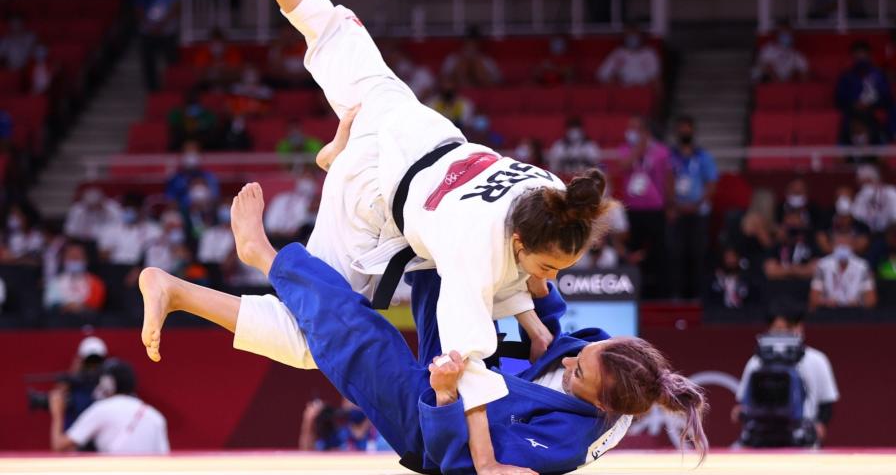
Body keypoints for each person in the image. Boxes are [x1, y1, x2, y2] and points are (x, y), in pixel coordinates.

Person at [177, 0, 623, 472]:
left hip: (414, 126)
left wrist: (538, 331)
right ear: (520, 245)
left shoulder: (546, 191)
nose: (547, 282)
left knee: (330, 26)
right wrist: (486, 466)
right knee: (309, 336)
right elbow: (471, 374)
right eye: (547, 270)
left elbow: (517, 266)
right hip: (374, 199)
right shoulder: (474, 260)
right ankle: (264, 252)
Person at [136, 178, 708, 473]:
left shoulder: (560, 444)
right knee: (441, 270)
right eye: (584, 355)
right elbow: (556, 343)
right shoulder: (610, 366)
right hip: (479, 374)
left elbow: (462, 463)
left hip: (437, 426)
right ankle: (180, 291)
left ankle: (261, 253)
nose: (569, 360)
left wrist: (440, 396)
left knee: (355, 337)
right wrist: (536, 290)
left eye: (578, 371)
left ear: (600, 404)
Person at [732, 302, 839, 446]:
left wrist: (820, 425)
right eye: (778, 329)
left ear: (800, 327)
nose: (783, 334)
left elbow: (827, 402)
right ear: (769, 328)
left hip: (802, 436)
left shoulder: (817, 360)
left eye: (789, 328)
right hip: (763, 436)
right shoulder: (756, 362)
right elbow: (745, 401)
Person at [48, 358, 169, 454]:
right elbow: (166, 460)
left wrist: (57, 413)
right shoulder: (155, 416)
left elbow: (60, 445)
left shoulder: (101, 409)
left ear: (107, 383)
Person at [618, 116, 672, 294]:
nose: (631, 132)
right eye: (630, 128)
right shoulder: (625, 149)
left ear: (645, 131)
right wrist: (638, 150)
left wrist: (670, 204)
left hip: (655, 208)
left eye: (635, 128)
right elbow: (623, 166)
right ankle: (635, 291)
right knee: (634, 251)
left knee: (658, 251)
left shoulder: (661, 151)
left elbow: (668, 178)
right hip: (633, 209)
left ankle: (660, 292)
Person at [669, 116, 718, 299]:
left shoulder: (703, 156)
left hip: (699, 212)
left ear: (693, 131)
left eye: (687, 128)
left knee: (697, 254)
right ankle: (677, 295)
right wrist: (675, 204)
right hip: (678, 212)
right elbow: (667, 180)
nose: (684, 132)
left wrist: (695, 204)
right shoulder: (671, 156)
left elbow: (711, 184)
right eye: (681, 128)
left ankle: (698, 295)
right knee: (677, 254)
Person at [135, 0, 181, 91]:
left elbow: (176, 5)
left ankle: (173, 89)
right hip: (148, 31)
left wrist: (163, 24)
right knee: (148, 63)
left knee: (171, 62)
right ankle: (152, 91)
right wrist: (150, 25)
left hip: (167, 30)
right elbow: (138, 8)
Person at [835, 40, 891, 143]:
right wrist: (853, 104)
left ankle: (878, 153)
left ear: (869, 55)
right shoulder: (847, 76)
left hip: (873, 110)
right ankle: (847, 154)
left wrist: (871, 104)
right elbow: (840, 98)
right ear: (853, 56)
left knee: (878, 124)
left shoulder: (878, 75)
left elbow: (886, 96)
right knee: (847, 123)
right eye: (857, 54)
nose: (860, 57)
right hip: (852, 111)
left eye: (863, 54)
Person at [810, 229, 877, 310]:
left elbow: (871, 300)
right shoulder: (822, 265)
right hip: (830, 312)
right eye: (839, 244)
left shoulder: (863, 266)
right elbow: (814, 299)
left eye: (846, 244)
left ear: (852, 245)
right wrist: (825, 302)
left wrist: (859, 303)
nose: (842, 247)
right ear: (833, 245)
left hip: (855, 312)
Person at [44, 243, 107, 316]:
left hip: (86, 320)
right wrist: (66, 307)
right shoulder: (55, 282)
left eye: (78, 256)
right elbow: (50, 304)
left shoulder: (96, 282)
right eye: (71, 256)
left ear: (85, 259)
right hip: (60, 321)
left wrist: (79, 307)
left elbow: (96, 304)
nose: (74, 259)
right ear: (63, 259)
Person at [97, 197, 163, 266]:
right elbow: (102, 256)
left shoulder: (154, 230)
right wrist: (114, 248)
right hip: (114, 266)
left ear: (140, 210)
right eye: (126, 210)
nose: (129, 213)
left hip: (140, 267)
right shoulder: (110, 229)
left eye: (133, 210)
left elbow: (158, 255)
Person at [850, 164, 896, 234]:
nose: (865, 187)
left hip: (892, 234)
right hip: (868, 235)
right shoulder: (862, 195)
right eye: (861, 183)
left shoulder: (892, 192)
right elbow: (856, 218)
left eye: (867, 181)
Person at [596, 27, 661, 93]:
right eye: (629, 36)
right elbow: (602, 74)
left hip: (644, 88)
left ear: (641, 37)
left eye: (635, 35)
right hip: (622, 90)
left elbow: (654, 76)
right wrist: (613, 79)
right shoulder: (618, 53)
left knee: (658, 84)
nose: (632, 39)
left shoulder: (649, 53)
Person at [763, 208, 818, 281]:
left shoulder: (811, 244)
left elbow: (815, 269)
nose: (792, 221)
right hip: (779, 288)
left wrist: (785, 270)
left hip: (803, 288)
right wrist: (797, 270)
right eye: (789, 218)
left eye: (795, 218)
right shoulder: (777, 245)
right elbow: (770, 270)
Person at [165, 142, 220, 213]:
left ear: (199, 156)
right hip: (183, 214)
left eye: (194, 152)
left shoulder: (210, 177)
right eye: (188, 152)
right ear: (182, 156)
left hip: (207, 214)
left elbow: (215, 198)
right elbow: (170, 200)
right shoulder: (175, 179)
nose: (191, 156)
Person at [264, 175, 318, 239]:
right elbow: (271, 228)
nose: (317, 204)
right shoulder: (283, 198)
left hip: (294, 241)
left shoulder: (313, 219)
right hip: (273, 239)